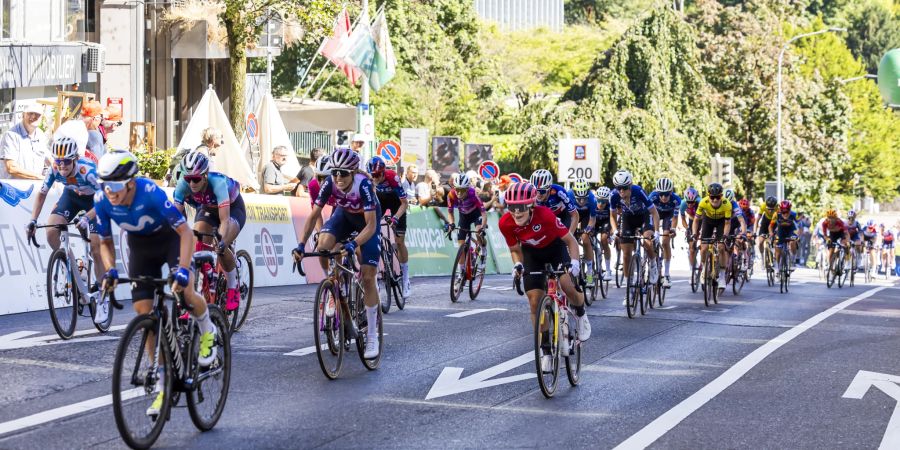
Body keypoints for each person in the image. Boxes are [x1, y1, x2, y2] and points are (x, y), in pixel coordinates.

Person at [94, 150, 218, 417]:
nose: (110, 192)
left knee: (185, 291)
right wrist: (110, 271)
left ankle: (208, 330)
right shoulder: (102, 200)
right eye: (105, 186)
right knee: (144, 313)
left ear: (130, 182)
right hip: (140, 248)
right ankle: (164, 383)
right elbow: (105, 242)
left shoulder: (150, 192)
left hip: (171, 241)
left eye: (115, 186)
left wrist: (183, 269)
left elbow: (185, 232)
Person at [292, 148, 382, 359]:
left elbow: (370, 226)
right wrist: (301, 244)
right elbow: (314, 215)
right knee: (323, 244)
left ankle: (371, 335)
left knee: (368, 275)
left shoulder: (365, 185)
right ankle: (335, 284)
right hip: (344, 216)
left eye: (343, 173)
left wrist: (354, 243)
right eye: (335, 173)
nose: (338, 177)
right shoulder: (329, 183)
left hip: (367, 222)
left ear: (353, 172)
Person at [499, 182, 591, 373]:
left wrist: (574, 263)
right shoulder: (505, 223)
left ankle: (581, 313)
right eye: (512, 207)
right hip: (532, 254)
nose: (516, 212)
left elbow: (570, 241)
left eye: (522, 207)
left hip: (555, 249)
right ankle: (546, 350)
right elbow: (515, 249)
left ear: (531, 205)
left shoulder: (546, 215)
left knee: (566, 285)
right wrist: (518, 264)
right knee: (534, 301)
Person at [25, 137, 103, 300]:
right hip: (72, 196)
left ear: (74, 159)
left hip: (95, 200)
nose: (61, 165)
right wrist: (33, 220)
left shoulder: (87, 171)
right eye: (58, 160)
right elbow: (42, 194)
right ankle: (74, 269)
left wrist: (88, 217)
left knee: (96, 247)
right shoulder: (54, 168)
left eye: (66, 161)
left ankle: (103, 293)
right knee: (51, 231)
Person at [173, 150, 246, 311]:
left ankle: (233, 287)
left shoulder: (218, 182)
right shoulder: (182, 185)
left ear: (205, 175)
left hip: (233, 209)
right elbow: (175, 215)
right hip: (207, 209)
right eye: (188, 179)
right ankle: (204, 278)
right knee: (196, 240)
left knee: (221, 244)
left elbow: (225, 220)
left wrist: (221, 240)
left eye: (196, 179)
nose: (192, 183)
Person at [610, 170, 661, 295]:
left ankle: (653, 264)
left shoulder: (638, 191)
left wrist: (658, 232)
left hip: (643, 216)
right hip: (628, 219)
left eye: (624, 188)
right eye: (618, 188)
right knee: (626, 254)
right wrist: (615, 230)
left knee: (646, 241)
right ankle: (629, 288)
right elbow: (612, 215)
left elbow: (654, 213)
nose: (621, 191)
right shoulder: (614, 196)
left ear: (630, 185)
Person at [367, 156, 411, 298]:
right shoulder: (368, 178)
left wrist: (396, 217)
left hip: (396, 203)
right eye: (373, 175)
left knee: (399, 241)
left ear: (384, 172)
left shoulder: (392, 177)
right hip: (381, 200)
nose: (376, 178)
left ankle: (406, 278)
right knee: (370, 229)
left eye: (379, 174)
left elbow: (405, 204)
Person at [691, 183, 732, 295]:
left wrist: (724, 235)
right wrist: (694, 233)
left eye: (717, 197)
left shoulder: (726, 204)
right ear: (708, 196)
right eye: (712, 197)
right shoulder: (703, 202)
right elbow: (696, 220)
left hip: (721, 222)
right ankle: (704, 268)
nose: (714, 200)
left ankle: (722, 276)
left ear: (721, 196)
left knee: (721, 247)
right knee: (703, 248)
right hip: (708, 221)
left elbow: (728, 223)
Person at [445, 173, 488, 272]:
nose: (459, 193)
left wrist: (483, 227)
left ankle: (484, 250)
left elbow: (483, 213)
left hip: (476, 213)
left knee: (478, 233)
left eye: (462, 190)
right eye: (457, 190)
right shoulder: (451, 195)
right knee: (461, 245)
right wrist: (451, 223)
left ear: (467, 189)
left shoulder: (473, 193)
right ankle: (461, 272)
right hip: (463, 215)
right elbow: (450, 213)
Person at [0, 103, 49, 179]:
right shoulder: (11, 135)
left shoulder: (41, 135)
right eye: (30, 113)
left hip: (36, 187)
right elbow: (11, 168)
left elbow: (48, 160)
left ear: (41, 118)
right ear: (23, 115)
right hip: (14, 188)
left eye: (37, 114)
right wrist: (39, 177)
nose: (33, 116)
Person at [648, 178, 682, 287]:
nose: (663, 197)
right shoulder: (652, 197)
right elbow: (648, 215)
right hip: (655, 214)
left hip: (668, 215)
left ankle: (667, 274)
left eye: (666, 194)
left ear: (671, 193)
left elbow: (675, 218)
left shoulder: (676, 200)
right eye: (661, 194)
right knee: (649, 237)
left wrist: (673, 229)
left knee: (665, 241)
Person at [529, 169, 578, 235]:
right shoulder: (530, 195)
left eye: (542, 191)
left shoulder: (559, 191)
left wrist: (570, 236)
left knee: (565, 238)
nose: (538, 194)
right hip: (547, 217)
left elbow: (575, 215)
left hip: (563, 214)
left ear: (549, 188)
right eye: (535, 191)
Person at [567, 178, 598, 283]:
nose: (581, 202)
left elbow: (593, 219)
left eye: (584, 199)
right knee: (569, 238)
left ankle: (589, 272)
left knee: (585, 238)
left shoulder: (592, 199)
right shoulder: (568, 195)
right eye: (579, 199)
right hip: (572, 216)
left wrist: (587, 230)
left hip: (586, 217)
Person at [769, 200, 799, 273]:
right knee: (777, 248)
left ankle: (793, 260)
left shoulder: (794, 214)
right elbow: (771, 226)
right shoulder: (776, 214)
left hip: (791, 230)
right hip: (781, 230)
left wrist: (798, 235)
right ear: (780, 210)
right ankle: (777, 266)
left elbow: (798, 227)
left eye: (787, 211)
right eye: (783, 212)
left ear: (790, 209)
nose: (785, 214)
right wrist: (771, 234)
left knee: (793, 242)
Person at [820, 209, 849, 273]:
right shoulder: (824, 223)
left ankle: (847, 262)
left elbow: (846, 233)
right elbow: (825, 235)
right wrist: (827, 239)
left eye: (832, 218)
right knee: (831, 249)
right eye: (829, 217)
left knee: (846, 244)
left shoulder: (840, 222)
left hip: (841, 233)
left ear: (836, 218)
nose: (830, 219)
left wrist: (847, 241)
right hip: (833, 234)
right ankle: (831, 267)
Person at [595, 186, 614, 281]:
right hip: (595, 221)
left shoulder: (610, 206)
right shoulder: (593, 204)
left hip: (606, 222)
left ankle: (608, 270)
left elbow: (614, 220)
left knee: (604, 239)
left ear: (607, 201)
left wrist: (610, 234)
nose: (600, 204)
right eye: (598, 200)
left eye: (603, 202)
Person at [680, 187, 700, 272]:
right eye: (688, 202)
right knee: (691, 248)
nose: (690, 204)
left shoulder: (700, 202)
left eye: (692, 202)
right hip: (692, 221)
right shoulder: (683, 204)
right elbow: (683, 220)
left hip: (702, 220)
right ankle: (693, 271)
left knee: (704, 244)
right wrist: (687, 228)